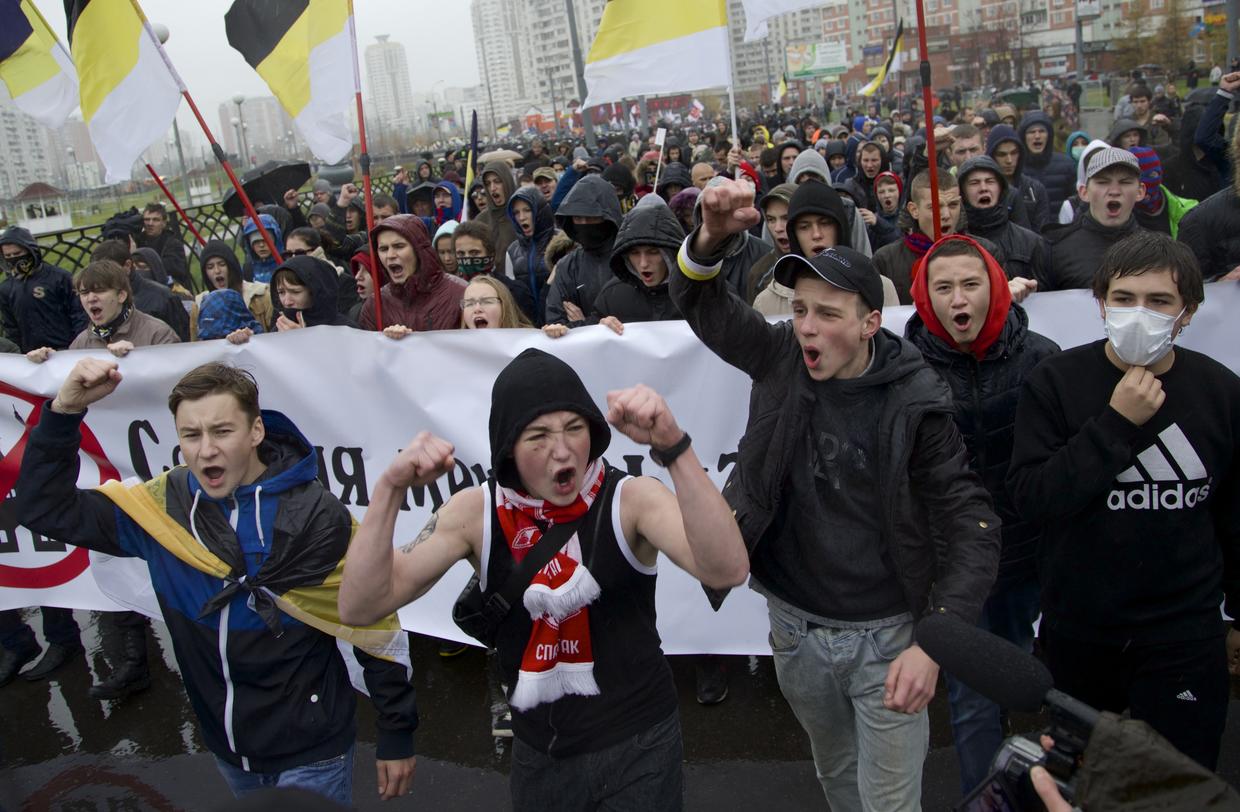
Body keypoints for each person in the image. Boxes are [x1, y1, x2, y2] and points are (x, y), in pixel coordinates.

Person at [671, 177, 1000, 811]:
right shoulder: (778, 356)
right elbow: (700, 301)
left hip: (888, 639)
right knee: (837, 776)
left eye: (827, 314)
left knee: (889, 803)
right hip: (794, 628)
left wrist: (934, 639)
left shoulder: (916, 401)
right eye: (799, 310)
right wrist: (709, 238)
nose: (807, 328)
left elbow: (971, 523)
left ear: (872, 321)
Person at [338, 350, 749, 811]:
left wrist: (674, 447)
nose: (562, 450)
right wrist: (390, 489)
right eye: (538, 436)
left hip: (640, 743)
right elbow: (360, 606)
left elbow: (727, 569)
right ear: (507, 447)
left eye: (575, 429)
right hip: (539, 752)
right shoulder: (475, 513)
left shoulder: (631, 499)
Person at [17, 359, 418, 803]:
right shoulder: (161, 511)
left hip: (313, 752)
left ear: (256, 432)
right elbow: (44, 509)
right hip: (226, 751)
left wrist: (397, 731)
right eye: (191, 435)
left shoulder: (318, 515)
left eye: (222, 431)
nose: (206, 450)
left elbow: (375, 623)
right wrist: (64, 411)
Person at [1007, 231, 1240, 771]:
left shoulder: (1220, 392)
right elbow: (1034, 498)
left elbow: (1233, 514)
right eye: (1124, 298)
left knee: (1180, 782)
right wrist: (1115, 424)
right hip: (1082, 628)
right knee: (1084, 778)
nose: (1140, 313)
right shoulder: (1055, 382)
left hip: (1183, 631)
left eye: (1159, 301)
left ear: (1188, 313)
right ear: (1100, 302)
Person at [904, 235, 1060, 795]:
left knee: (1027, 677)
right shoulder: (904, 368)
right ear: (924, 296)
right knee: (971, 702)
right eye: (942, 287)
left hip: (1024, 557)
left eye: (971, 284)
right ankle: (984, 800)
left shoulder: (1040, 356)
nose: (957, 298)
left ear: (995, 287)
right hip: (952, 565)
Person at [1045, 148, 1146, 291]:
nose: (1114, 191)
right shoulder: (1054, 250)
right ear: (1084, 192)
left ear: (1140, 192)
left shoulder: (1160, 252)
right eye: (1103, 182)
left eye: (1125, 182)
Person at [358, 214, 466, 336]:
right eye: (383, 249)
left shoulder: (461, 294)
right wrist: (388, 344)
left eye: (399, 246)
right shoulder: (374, 305)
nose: (390, 255)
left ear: (419, 250)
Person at [957, 156, 1048, 291]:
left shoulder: (1031, 242)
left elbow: (1047, 295)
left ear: (1001, 188)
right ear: (962, 192)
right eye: (974, 183)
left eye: (990, 182)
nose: (983, 188)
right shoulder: (954, 243)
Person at [873, 169, 963, 303]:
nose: (946, 215)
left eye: (953, 205)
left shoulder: (982, 253)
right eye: (935, 207)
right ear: (914, 210)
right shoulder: (885, 260)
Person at [546, 175, 624, 327]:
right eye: (578, 218)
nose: (584, 224)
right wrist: (585, 328)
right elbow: (556, 321)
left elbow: (641, 312)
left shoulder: (632, 257)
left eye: (591, 218)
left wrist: (585, 324)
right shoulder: (567, 266)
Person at [0, 226, 86, 353]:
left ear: (31, 250)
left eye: (18, 254)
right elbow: (12, 329)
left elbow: (79, 314)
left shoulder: (60, 278)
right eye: (9, 255)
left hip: (65, 352)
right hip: (32, 356)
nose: (13, 258)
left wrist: (77, 346)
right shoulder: (6, 289)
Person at [90, 240, 191, 342]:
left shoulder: (162, 297)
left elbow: (182, 342)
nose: (100, 278)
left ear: (127, 266)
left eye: (107, 272)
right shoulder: (92, 300)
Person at [190, 240, 274, 341]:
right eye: (210, 267)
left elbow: (274, 337)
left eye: (221, 264)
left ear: (231, 267)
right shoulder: (199, 306)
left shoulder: (260, 296)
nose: (217, 271)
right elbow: (196, 346)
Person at [504, 188, 558, 326]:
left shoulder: (562, 243)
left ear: (539, 210)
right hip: (528, 328)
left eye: (527, 210)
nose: (522, 217)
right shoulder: (512, 251)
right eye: (516, 212)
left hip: (559, 324)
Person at [986, 124, 1046, 231]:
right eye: (1002, 154)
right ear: (992, 156)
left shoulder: (1034, 190)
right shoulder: (984, 190)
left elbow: (1043, 232)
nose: (1009, 160)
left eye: (1014, 153)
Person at [1129, 146, 1197, 239]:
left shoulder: (1188, 210)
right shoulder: (1116, 215)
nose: (1144, 183)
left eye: (1152, 175)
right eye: (1137, 176)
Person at [1018, 111, 1076, 216]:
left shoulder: (1066, 166)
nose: (1037, 136)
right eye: (1031, 132)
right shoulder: (1016, 168)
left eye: (1042, 131)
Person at [136, 203, 194, 293]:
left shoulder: (173, 244)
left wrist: (145, 264)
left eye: (155, 220)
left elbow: (174, 269)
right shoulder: (137, 241)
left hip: (171, 292)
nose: (150, 223)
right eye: (147, 219)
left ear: (164, 223)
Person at [476, 162, 519, 260]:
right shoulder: (481, 220)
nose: (493, 188)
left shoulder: (522, 213)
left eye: (497, 181)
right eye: (488, 183)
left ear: (507, 182)